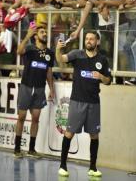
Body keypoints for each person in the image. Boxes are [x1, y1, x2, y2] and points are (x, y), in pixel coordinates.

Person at [56, 31, 112, 177]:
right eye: (87, 39)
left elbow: (108, 81)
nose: (88, 41)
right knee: (69, 133)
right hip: (77, 101)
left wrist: (101, 76)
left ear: (97, 42)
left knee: (94, 135)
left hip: (94, 102)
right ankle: (63, 165)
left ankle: (92, 167)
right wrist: (58, 49)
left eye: (91, 39)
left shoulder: (102, 60)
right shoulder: (77, 54)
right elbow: (61, 59)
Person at [14, 25, 55, 158]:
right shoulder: (30, 49)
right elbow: (19, 51)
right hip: (26, 87)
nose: (45, 34)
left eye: (45, 32)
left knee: (36, 119)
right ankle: (17, 148)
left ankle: (31, 149)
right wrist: (27, 36)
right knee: (21, 117)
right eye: (42, 32)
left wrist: (51, 89)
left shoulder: (50, 53)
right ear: (36, 36)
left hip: (40, 88)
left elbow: (49, 72)